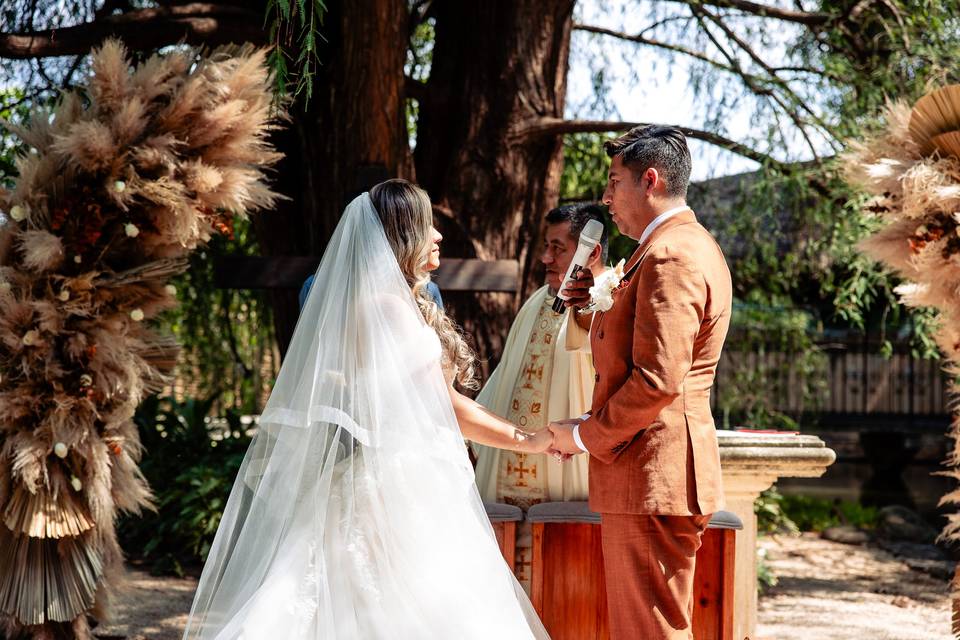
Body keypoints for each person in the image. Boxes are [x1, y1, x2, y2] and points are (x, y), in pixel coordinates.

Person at [183, 179, 551, 639]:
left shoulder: (373, 303)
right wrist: (527, 439)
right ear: (403, 233)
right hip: (403, 483)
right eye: (428, 225)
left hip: (384, 471)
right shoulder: (388, 309)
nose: (438, 235)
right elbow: (448, 407)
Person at [549, 125, 732, 640]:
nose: (605, 199)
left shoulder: (672, 255)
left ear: (649, 180)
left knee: (649, 632)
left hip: (653, 472)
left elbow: (657, 380)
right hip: (650, 470)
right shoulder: (667, 247)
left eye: (613, 183)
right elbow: (633, 358)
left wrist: (586, 436)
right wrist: (590, 307)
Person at [473, 202, 608, 591]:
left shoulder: (607, 303)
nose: (545, 258)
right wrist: (475, 436)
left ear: (591, 251)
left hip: (569, 476)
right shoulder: (538, 300)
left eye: (557, 247)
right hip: (510, 482)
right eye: (546, 247)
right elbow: (508, 375)